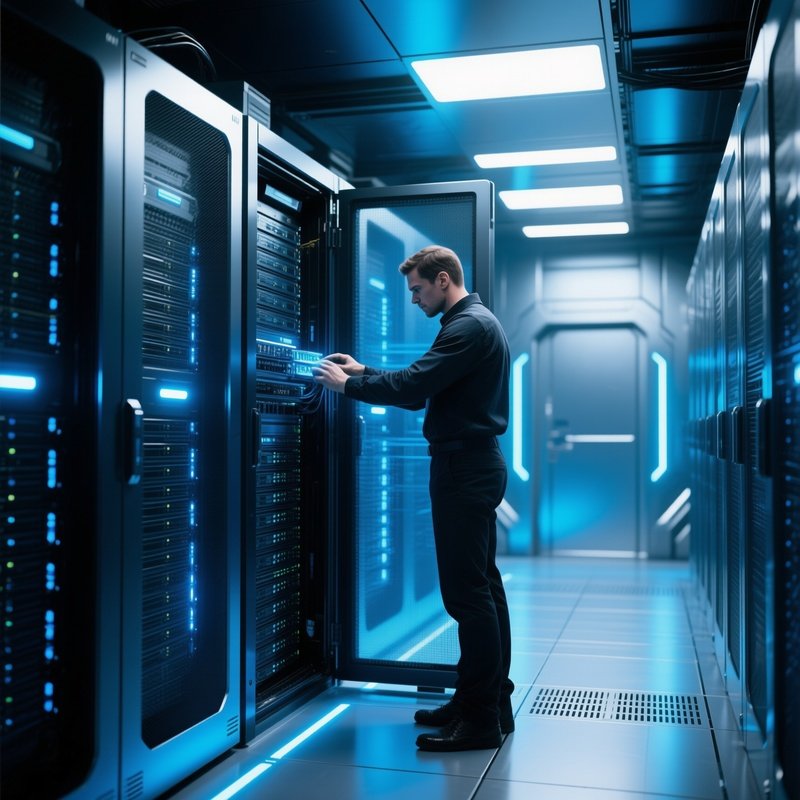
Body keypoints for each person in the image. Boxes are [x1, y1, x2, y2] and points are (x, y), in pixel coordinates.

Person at [312, 244, 513, 752]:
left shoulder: (468, 327)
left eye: (418, 289)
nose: (414, 299)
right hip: (469, 463)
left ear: (443, 280)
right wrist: (362, 371)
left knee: (468, 597)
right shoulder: (471, 323)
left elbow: (414, 384)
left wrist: (348, 388)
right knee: (483, 591)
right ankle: (483, 700)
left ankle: (481, 718)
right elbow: (426, 386)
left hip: (464, 468)